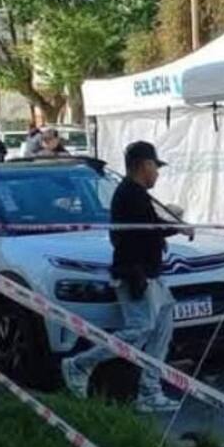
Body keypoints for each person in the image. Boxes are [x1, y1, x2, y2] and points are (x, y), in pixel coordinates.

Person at [61, 141, 191, 413]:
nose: (157, 173)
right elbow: (142, 233)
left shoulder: (135, 194)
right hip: (137, 274)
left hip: (150, 273)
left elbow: (147, 230)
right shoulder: (130, 195)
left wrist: (172, 228)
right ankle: (81, 364)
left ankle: (150, 390)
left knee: (163, 325)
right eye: (156, 166)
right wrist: (175, 228)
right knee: (139, 329)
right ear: (145, 165)